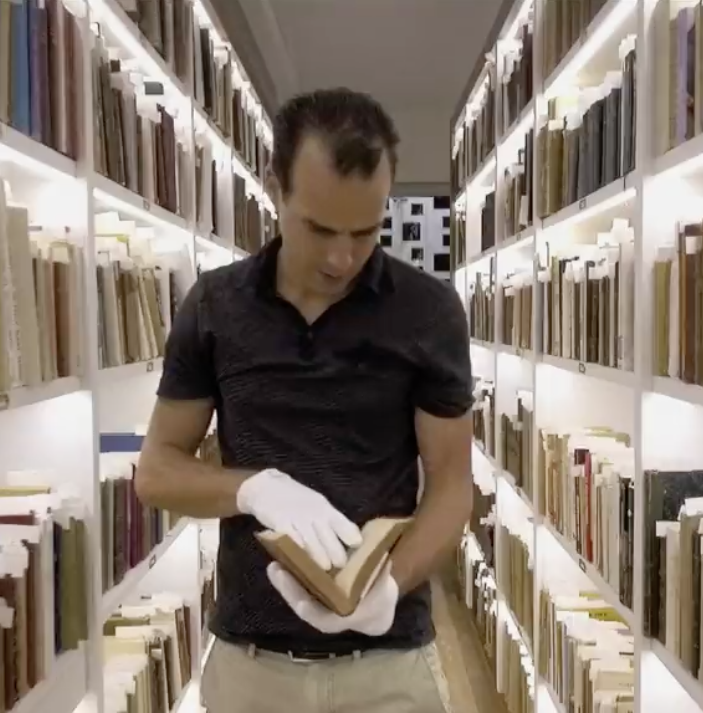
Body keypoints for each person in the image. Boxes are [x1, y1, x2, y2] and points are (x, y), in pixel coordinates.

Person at [135, 87, 474, 713]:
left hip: (388, 666)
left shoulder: (428, 311)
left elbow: (453, 486)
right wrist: (251, 488)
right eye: (319, 229)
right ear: (275, 190)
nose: (342, 258)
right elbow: (156, 472)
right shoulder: (215, 307)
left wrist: (389, 589)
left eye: (365, 232)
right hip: (251, 665)